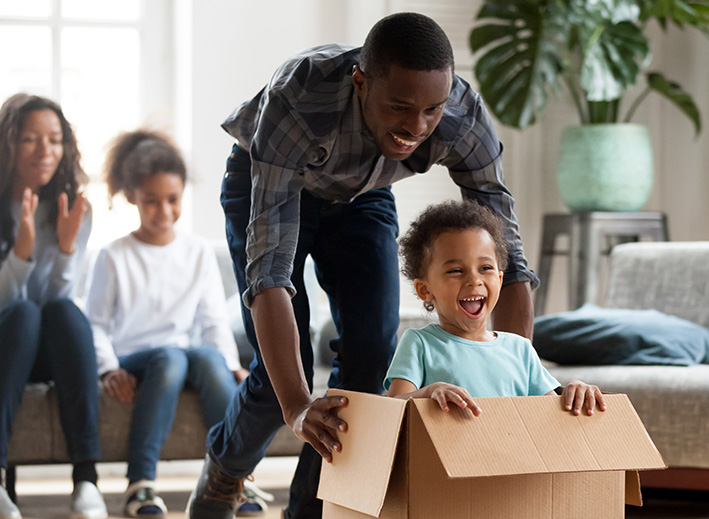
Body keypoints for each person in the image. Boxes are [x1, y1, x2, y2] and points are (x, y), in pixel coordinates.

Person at [187, 12, 537, 519]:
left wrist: (516, 389)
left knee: (372, 355)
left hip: (362, 196)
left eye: (430, 111)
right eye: (399, 107)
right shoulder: (299, 101)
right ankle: (225, 471)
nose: (416, 127)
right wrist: (298, 407)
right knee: (283, 377)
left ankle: (313, 510)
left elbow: (508, 253)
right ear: (360, 83)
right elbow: (270, 275)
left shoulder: (462, 116)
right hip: (271, 185)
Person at [84, 130, 272, 518]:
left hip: (184, 357)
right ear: (133, 196)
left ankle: (234, 479)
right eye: (151, 201)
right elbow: (96, 325)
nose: (164, 211)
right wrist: (108, 369)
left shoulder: (198, 251)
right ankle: (141, 486)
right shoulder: (112, 256)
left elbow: (212, 320)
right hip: (136, 357)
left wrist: (229, 364)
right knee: (171, 357)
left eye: (172, 200)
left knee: (205, 357)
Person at [0, 93, 107, 519]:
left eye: (54, 139)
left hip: (43, 347)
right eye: (30, 139)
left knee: (65, 313)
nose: (45, 151)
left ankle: (87, 479)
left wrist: (65, 251)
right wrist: (21, 257)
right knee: (21, 313)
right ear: (7, 144)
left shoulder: (73, 211)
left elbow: (57, 310)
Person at [385, 200, 605, 416]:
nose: (474, 280)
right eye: (456, 271)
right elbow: (392, 409)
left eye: (485, 268)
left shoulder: (520, 350)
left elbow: (549, 415)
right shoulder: (420, 344)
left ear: (499, 280)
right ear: (425, 290)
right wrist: (428, 392)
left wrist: (575, 389)